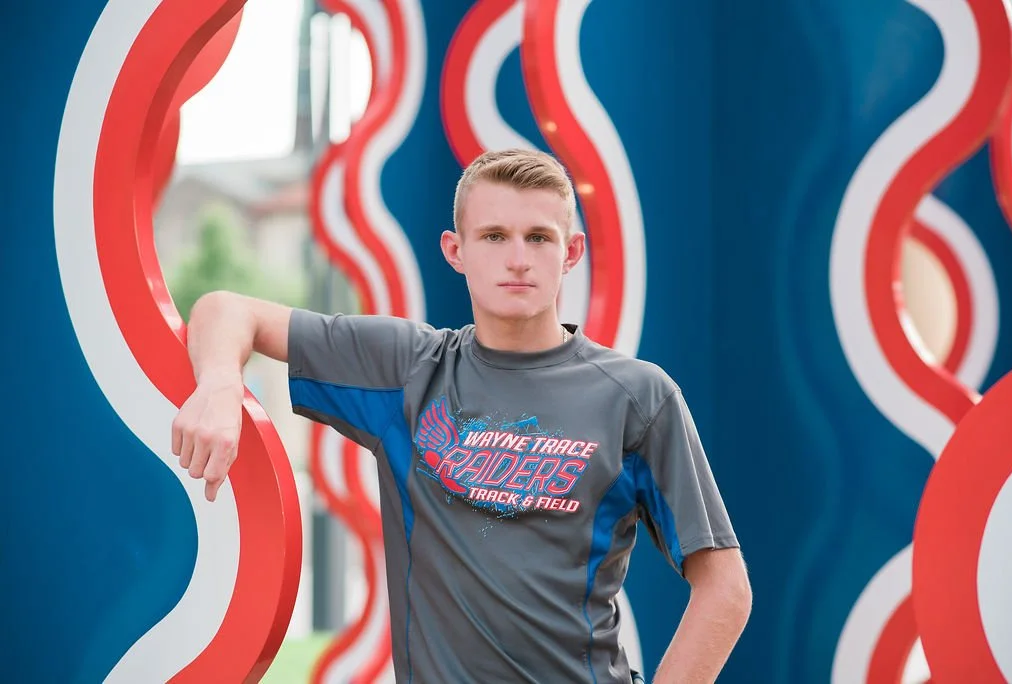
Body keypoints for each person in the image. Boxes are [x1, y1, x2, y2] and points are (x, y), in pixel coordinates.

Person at [172, 148, 752, 683]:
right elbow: (227, 310)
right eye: (495, 236)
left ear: (570, 252)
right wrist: (221, 385)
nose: (518, 259)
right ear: (456, 250)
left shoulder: (636, 396)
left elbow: (724, 586)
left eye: (539, 237)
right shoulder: (406, 370)